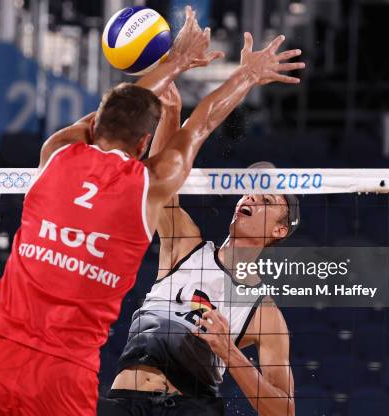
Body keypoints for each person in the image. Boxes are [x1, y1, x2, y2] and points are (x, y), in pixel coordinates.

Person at [0, 5, 303, 415]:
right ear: (142, 148)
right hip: (68, 377)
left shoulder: (55, 155)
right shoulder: (150, 192)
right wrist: (244, 76)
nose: (253, 197)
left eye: (270, 199)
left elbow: (124, 120)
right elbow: (200, 126)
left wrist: (174, 64)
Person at [98, 64, 301, 415]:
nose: (250, 198)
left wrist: (229, 352)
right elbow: (159, 183)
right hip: (127, 403)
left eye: (266, 200)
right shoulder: (185, 244)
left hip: (190, 407)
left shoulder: (265, 315)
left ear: (279, 231)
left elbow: (284, 411)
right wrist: (171, 115)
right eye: (251, 192)